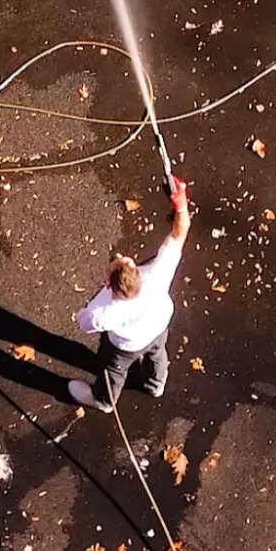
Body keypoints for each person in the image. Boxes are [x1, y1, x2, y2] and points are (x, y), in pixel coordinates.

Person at [69, 176, 192, 411]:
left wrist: (85, 310)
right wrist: (181, 203)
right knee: (157, 355)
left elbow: (84, 323)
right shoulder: (157, 274)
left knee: (113, 370)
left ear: (108, 283)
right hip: (158, 328)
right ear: (135, 271)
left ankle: (104, 400)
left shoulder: (103, 309)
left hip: (125, 345)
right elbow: (179, 233)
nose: (119, 257)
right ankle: (155, 384)